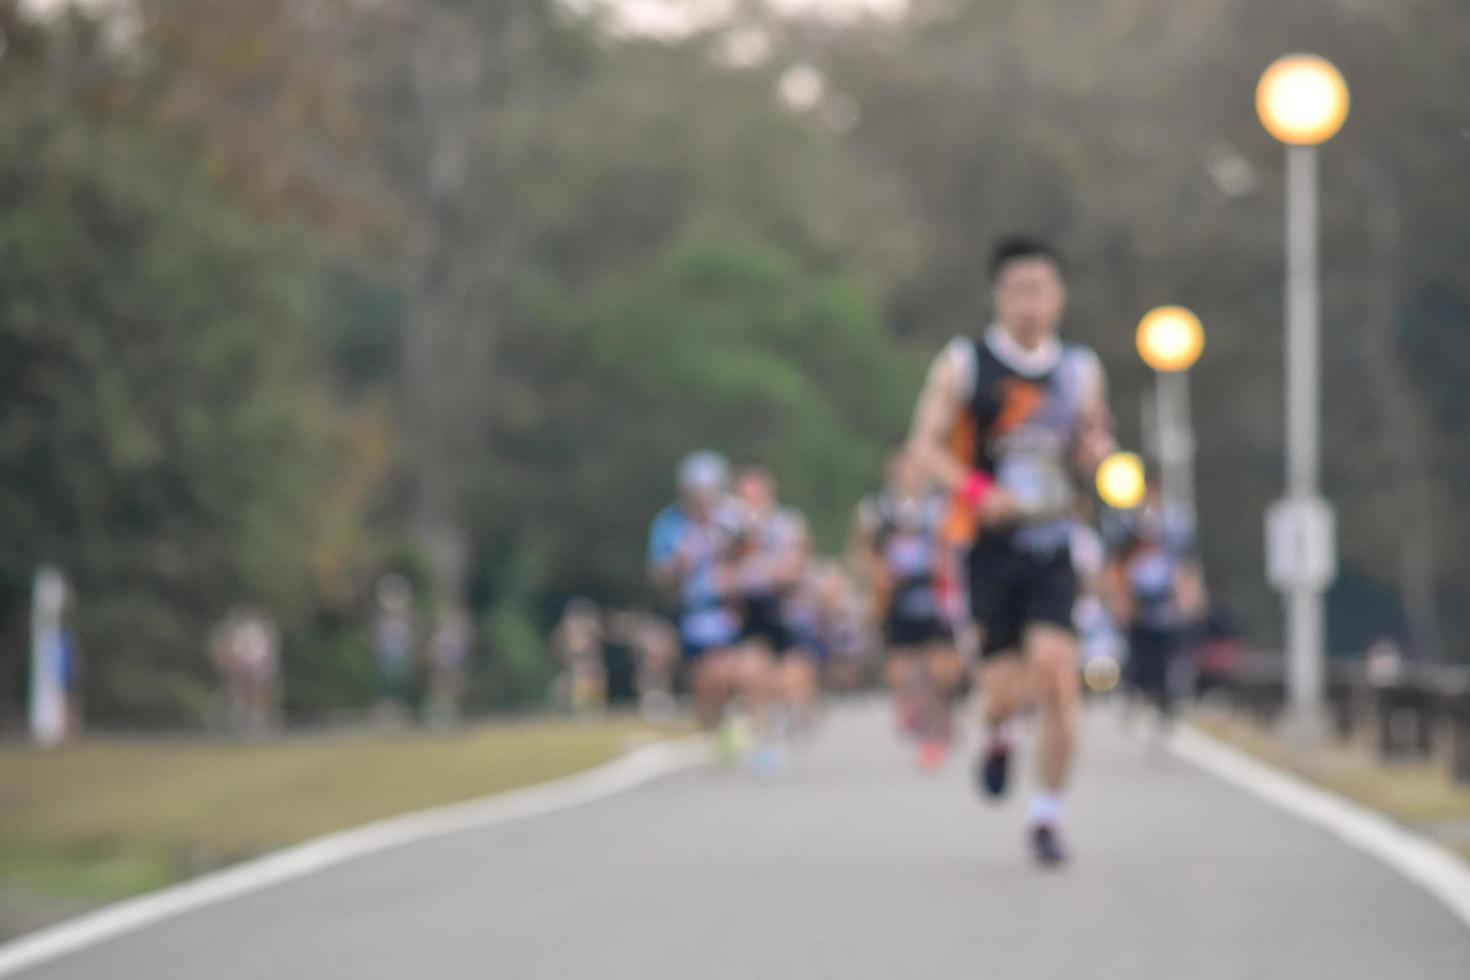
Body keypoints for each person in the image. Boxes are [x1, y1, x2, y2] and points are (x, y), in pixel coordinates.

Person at [906, 235, 1116, 866]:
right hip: (988, 546)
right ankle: (998, 732)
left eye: (1042, 290)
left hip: (1053, 543)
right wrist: (976, 489)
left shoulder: (1080, 370)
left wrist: (1096, 457)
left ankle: (1048, 815)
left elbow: (1094, 443)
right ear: (998, 296)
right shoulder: (964, 364)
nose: (1031, 304)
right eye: (1018, 291)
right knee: (1002, 689)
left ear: (1060, 296)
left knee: (1056, 671)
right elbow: (925, 447)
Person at [857, 448, 962, 771]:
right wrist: (877, 579)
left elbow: (955, 547)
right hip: (897, 598)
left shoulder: (941, 507)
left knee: (940, 671)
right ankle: (917, 717)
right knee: (902, 672)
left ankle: (938, 727)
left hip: (934, 595)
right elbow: (864, 552)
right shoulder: (876, 509)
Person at [648, 451, 749, 750]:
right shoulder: (670, 524)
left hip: (730, 609)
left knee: (726, 671)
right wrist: (679, 565)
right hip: (692, 611)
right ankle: (713, 730)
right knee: (704, 679)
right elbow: (658, 572)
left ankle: (736, 722)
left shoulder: (735, 518)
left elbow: (754, 556)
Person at [732, 465, 813, 774]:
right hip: (751, 612)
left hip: (785, 611)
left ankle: (792, 717)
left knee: (789, 680)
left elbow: (794, 566)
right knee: (752, 675)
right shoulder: (729, 528)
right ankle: (764, 741)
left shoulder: (787, 524)